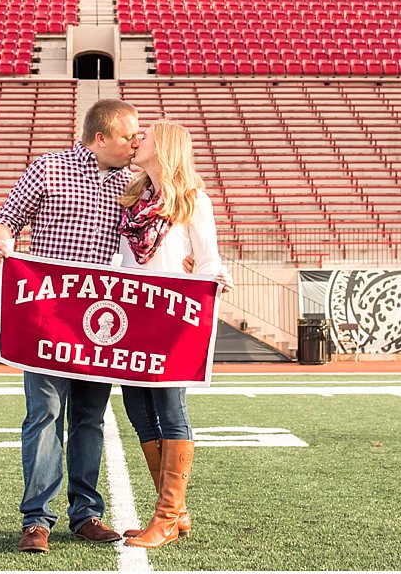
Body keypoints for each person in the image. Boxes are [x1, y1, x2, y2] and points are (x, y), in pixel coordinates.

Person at [0, 98, 141, 555]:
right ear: (100, 138)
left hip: (101, 324)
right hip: (49, 320)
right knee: (45, 415)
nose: (135, 144)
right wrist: (1, 244)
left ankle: (86, 513)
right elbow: (6, 219)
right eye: (128, 136)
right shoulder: (49, 168)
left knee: (90, 418)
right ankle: (36, 520)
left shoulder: (133, 182)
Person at [115, 119, 230, 549]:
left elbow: (207, 261)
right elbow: (122, 258)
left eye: (142, 136)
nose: (134, 140)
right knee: (136, 405)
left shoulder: (193, 199)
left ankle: (165, 517)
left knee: (169, 405)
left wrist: (206, 289)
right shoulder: (133, 197)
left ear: (163, 146)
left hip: (171, 319)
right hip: (131, 318)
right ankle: (177, 513)